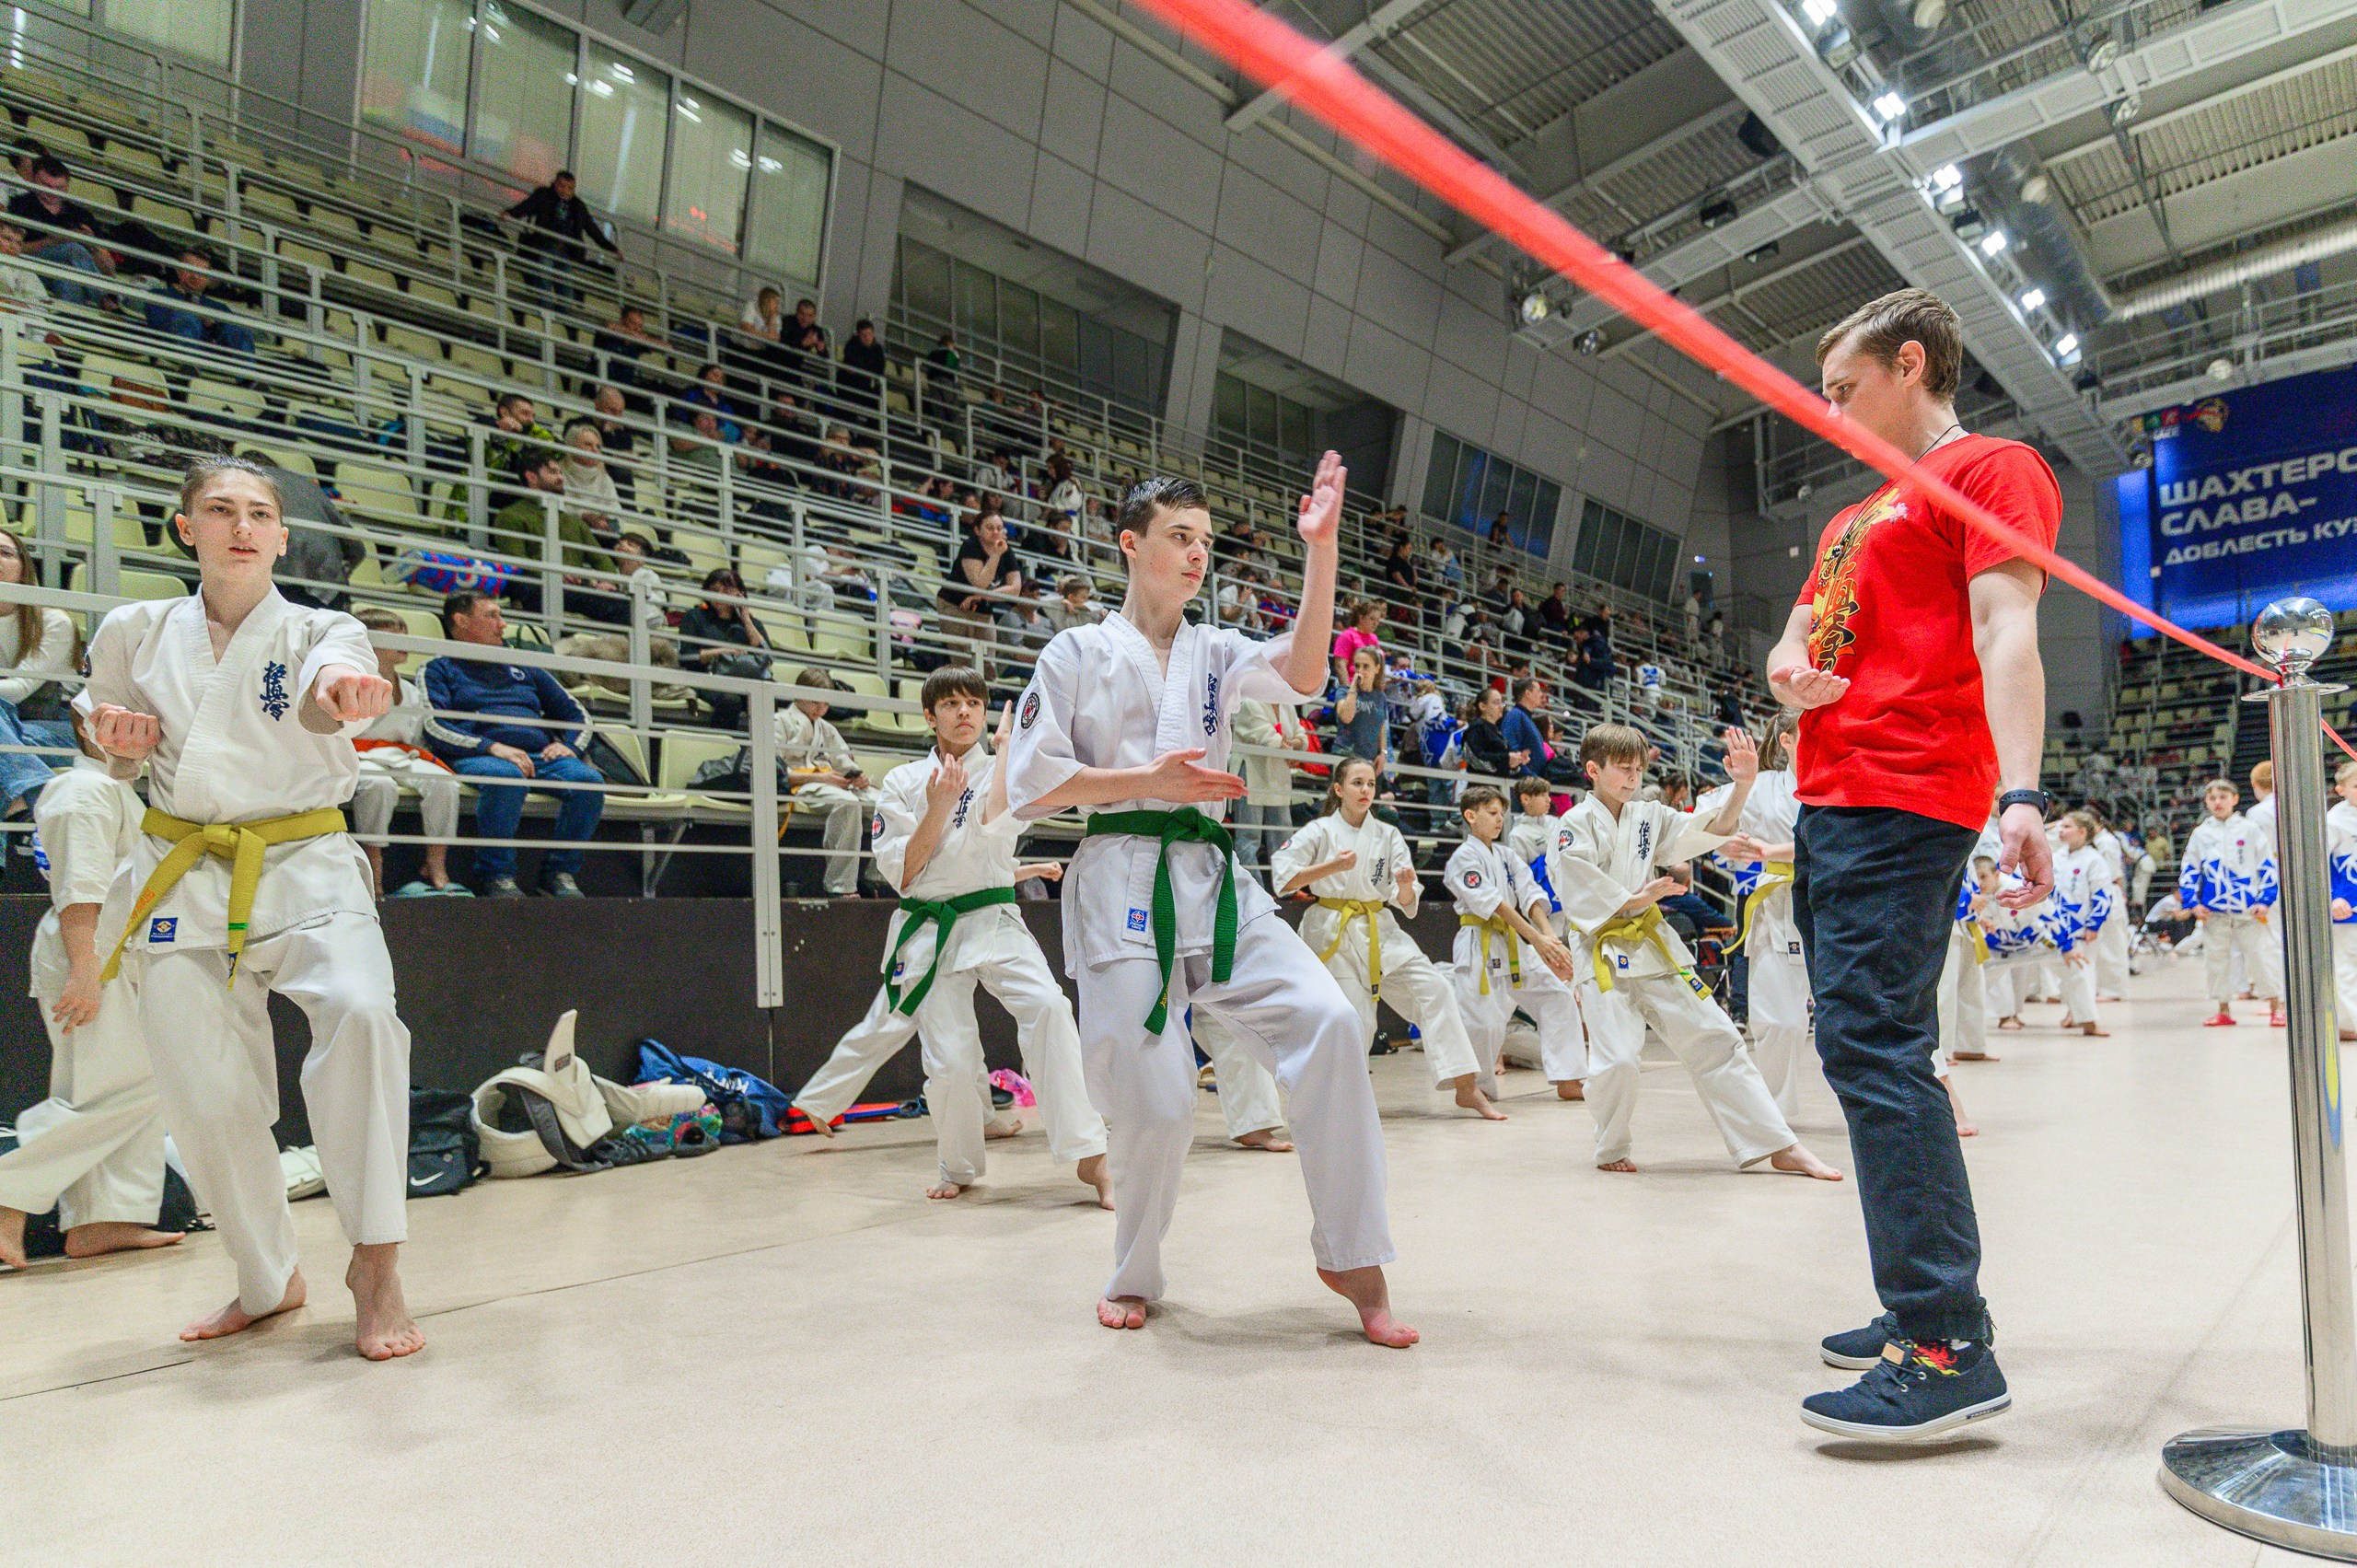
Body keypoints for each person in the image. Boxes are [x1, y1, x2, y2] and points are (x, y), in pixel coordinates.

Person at [1004, 459, 1416, 1347]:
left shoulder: (1218, 651)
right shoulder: (1074, 652)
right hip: (1118, 875)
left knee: (1330, 1021)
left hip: (1214, 874)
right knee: (1157, 1103)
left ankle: (1351, 1252)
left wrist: (1322, 550)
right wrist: (1140, 779)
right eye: (1178, 538)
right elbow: (1029, 785)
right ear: (1131, 544)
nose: (1196, 556)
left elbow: (1306, 673)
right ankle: (1133, 1269)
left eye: (1206, 542)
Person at [1768, 287, 2056, 1441]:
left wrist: (2021, 791)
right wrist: (1791, 665)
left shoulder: (1990, 469)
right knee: (1859, 1044)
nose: (1830, 409)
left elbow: (2006, 629)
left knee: (1879, 1045)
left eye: (1844, 388)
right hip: (1830, 794)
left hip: (1909, 791)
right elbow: (1796, 633)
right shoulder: (1850, 520)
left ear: (1910, 362)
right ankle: (1921, 1296)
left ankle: (1942, 1340)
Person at [76, 456, 419, 1359]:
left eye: (260, 511)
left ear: (280, 532)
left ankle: (376, 1264)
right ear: (186, 525)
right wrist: (109, 732)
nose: (242, 524)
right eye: (220, 509)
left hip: (305, 859)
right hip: (181, 864)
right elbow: (99, 719)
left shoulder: (321, 627)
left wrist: (343, 696)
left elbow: (329, 689)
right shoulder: (135, 627)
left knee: (363, 1012)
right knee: (201, 1085)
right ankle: (268, 1278)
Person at [791, 671, 1110, 1204]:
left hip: (992, 917)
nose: (964, 712)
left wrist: (1008, 751)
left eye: (973, 703)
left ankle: (1090, 1155)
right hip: (928, 927)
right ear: (929, 716)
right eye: (951, 704)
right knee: (952, 1057)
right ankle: (958, 1165)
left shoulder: (1006, 768)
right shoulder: (901, 782)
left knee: (1050, 1008)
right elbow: (906, 873)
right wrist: (939, 804)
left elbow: (991, 826)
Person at [1549, 722, 1839, 1181]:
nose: (1632, 777)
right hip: (1602, 951)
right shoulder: (1573, 825)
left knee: (1718, 1039)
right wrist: (1636, 899)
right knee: (1620, 1059)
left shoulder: (1647, 815)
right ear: (1593, 770)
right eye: (1623, 769)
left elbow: (1711, 829)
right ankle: (1611, 1144)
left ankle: (1778, 1144)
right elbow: (1578, 885)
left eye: (1638, 769)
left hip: (1653, 946)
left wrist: (1742, 786)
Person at [0, 717, 183, 1271]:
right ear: (87, 730)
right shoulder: (82, 790)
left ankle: (106, 1220)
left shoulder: (117, 792)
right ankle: (7, 1191)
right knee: (131, 1090)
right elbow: (78, 885)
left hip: (117, 955)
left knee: (108, 1088)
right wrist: (85, 968)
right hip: (95, 954)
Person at [1275, 756, 1504, 1119]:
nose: (1366, 790)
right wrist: (1332, 867)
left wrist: (1404, 887)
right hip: (1333, 929)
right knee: (1355, 1017)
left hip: (1379, 926)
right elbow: (1283, 878)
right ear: (1338, 789)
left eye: (1370, 784)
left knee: (1436, 990)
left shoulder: (1387, 833)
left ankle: (1465, 1086)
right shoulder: (1319, 831)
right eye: (1357, 783)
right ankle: (1343, 1105)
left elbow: (1406, 898)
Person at [421, 590, 604, 898]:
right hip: (480, 753)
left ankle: (559, 874)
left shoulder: (525, 667)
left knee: (589, 782)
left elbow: (577, 714)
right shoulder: (438, 668)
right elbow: (434, 725)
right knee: (505, 777)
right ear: (461, 621)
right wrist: (490, 747)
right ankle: (496, 875)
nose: (502, 625)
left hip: (540, 754)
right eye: (491, 616)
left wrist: (571, 748)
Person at [1450, 783, 1588, 1099]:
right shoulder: (1463, 858)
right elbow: (1497, 905)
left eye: (1501, 814)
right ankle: (1477, 1089)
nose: (1499, 820)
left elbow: (1531, 896)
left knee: (1557, 997)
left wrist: (1551, 938)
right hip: (1479, 943)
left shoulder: (1508, 855)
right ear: (1471, 816)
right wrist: (1538, 940)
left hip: (1515, 943)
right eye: (1492, 813)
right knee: (1482, 1022)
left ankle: (1569, 1078)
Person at [1704, 713, 1811, 1117]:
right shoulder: (1763, 786)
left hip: (1839, 904)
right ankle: (1774, 1117)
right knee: (1780, 1021)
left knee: (1850, 1020)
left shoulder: (1842, 782)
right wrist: (1743, 786)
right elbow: (1714, 827)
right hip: (1776, 907)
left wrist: (1771, 851)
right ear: (1786, 740)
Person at [346, 607, 465, 900]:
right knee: (379, 785)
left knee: (444, 782)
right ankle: (373, 861)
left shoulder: (411, 689)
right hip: (357, 754)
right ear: (369, 642)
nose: (405, 642)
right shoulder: (352, 680)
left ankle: (436, 860)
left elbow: (414, 739)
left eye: (406, 635)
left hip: (400, 755)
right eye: (394, 636)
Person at [2178, 777, 2283, 1028]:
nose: (2218, 802)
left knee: (2261, 956)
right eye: (2212, 798)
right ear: (2206, 802)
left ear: (2234, 800)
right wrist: (2193, 902)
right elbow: (2190, 869)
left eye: (2223, 797)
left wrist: (2265, 899)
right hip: (2214, 912)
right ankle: (2223, 1009)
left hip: (2249, 910)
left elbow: (2267, 866)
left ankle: (2275, 1007)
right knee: (2216, 960)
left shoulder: (2250, 830)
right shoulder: (2201, 834)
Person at [774, 668, 876, 898]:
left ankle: (876, 876)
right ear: (799, 695)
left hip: (830, 781)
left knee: (885, 803)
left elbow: (844, 762)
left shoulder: (826, 728)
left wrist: (857, 777)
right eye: (815, 703)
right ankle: (840, 887)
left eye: (826, 705)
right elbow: (774, 770)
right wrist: (819, 777)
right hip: (802, 783)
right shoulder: (780, 721)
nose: (821, 710)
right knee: (848, 803)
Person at [0, 528, 77, 818]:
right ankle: (29, 796)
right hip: (11, 728)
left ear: (24, 570)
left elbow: (20, 688)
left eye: (5, 553)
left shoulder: (54, 622)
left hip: (64, 727)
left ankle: (28, 792)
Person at [502, 170, 620, 308]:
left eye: (570, 188)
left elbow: (593, 231)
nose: (565, 191)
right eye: (562, 186)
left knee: (567, 293)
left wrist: (612, 249)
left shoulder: (578, 206)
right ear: (555, 184)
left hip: (566, 253)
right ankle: (546, 313)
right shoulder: (544, 196)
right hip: (545, 245)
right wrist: (510, 213)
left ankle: (560, 321)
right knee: (544, 277)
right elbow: (527, 206)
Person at [6, 156, 114, 304]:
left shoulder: (81, 214)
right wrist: (52, 241)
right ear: (33, 180)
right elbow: (11, 249)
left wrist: (92, 245)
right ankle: (107, 300)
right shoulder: (20, 206)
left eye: (59, 188)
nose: (53, 193)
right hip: (32, 269)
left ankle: (71, 320)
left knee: (67, 277)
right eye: (46, 186)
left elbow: (109, 270)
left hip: (67, 273)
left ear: (67, 186)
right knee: (72, 248)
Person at [676, 568, 771, 731]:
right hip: (709, 679)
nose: (720, 595)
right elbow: (685, 657)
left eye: (727, 590)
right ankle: (725, 748)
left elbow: (767, 657)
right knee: (731, 699)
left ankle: (763, 753)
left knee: (768, 698)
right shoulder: (695, 616)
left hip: (747, 680)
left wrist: (746, 619)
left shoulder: (752, 624)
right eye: (714, 590)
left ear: (740, 593)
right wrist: (721, 651)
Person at [2047, 810, 2114, 1037]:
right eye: (2061, 826)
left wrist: (2094, 925)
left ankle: (2085, 1017)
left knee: (2084, 971)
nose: (2061, 831)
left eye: (2067, 827)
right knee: (2065, 973)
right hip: (2057, 927)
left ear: (2083, 832)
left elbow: (2104, 894)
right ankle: (2074, 1011)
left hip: (2083, 927)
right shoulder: (2056, 857)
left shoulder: (2094, 860)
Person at [1230, 693, 1305, 880]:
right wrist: (1290, 748)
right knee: (1249, 838)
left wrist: (1290, 746)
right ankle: (1253, 892)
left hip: (1278, 777)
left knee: (1283, 835)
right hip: (1251, 774)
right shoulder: (1250, 702)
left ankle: (1287, 887)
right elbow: (1268, 737)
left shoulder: (1287, 705)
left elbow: (1302, 738)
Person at [142, 247, 255, 354]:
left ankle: (247, 374)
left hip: (211, 358)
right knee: (188, 317)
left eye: (202, 273)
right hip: (171, 351)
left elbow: (230, 337)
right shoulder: (159, 295)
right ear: (178, 270)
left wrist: (213, 325)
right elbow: (157, 325)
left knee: (242, 332)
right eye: (190, 269)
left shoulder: (219, 308)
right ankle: (188, 365)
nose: (196, 276)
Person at [2328, 762, 2357, 1041]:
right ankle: (2350, 1025)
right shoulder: (2333, 822)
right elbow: (2320, 865)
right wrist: (2333, 898)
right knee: (2346, 967)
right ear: (2341, 790)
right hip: (2346, 907)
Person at [1329, 645, 1388, 769]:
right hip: (1345, 757)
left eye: (1366, 666)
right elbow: (1346, 717)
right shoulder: (1343, 692)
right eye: (1357, 666)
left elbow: (1382, 727)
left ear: (1377, 669)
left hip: (1369, 761)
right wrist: (1354, 687)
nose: (1360, 671)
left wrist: (1383, 752)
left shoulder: (1380, 697)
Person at [1459, 686, 1515, 780]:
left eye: (1502, 702)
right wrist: (1506, 758)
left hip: (1501, 784)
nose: (1501, 706)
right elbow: (1476, 758)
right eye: (1496, 703)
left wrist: (1515, 762)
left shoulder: (1497, 730)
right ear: (1482, 706)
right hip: (1483, 785)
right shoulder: (1476, 728)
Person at [1501, 676, 1548, 781]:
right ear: (1528, 693)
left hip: (1533, 781)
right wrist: (1527, 774)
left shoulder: (1525, 717)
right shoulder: (1515, 715)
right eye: (1539, 691)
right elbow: (1511, 747)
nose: (1542, 695)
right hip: (1524, 782)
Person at [1330, 598, 1383, 690]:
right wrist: (1347, 690)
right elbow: (1340, 665)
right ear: (1361, 618)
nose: (1375, 624)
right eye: (1372, 619)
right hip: (1353, 686)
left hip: (1369, 689)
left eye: (1378, 620)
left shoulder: (1374, 638)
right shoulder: (1347, 635)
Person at [841, 318, 887, 402]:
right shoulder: (851, 345)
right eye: (863, 335)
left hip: (867, 386)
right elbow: (853, 363)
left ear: (873, 334)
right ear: (858, 335)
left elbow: (880, 369)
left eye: (869, 334)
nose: (867, 338)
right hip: (850, 385)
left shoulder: (878, 349)